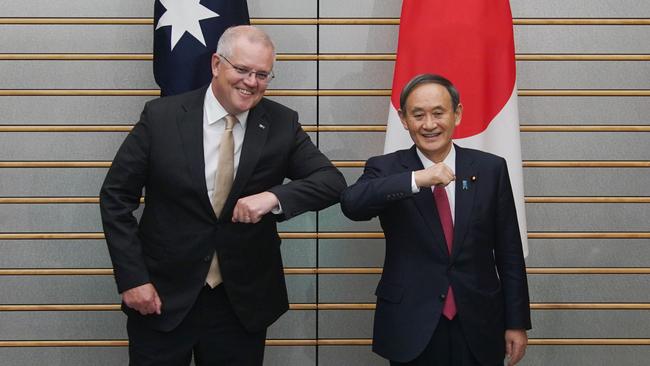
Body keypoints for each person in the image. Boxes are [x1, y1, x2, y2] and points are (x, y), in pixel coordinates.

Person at [99, 25, 346, 365]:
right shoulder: (162, 117)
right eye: (242, 70)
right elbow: (115, 197)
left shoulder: (281, 123)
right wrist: (133, 279)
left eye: (262, 74)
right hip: (161, 297)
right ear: (217, 64)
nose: (251, 82)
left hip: (240, 304)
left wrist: (272, 198)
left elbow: (331, 181)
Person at [340, 74, 531, 366]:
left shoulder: (490, 168)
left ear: (457, 114)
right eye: (418, 115)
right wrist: (417, 179)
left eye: (438, 113)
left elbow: (509, 253)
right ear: (404, 119)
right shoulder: (387, 168)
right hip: (412, 324)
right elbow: (353, 204)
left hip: (480, 322)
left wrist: (516, 322)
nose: (429, 124)